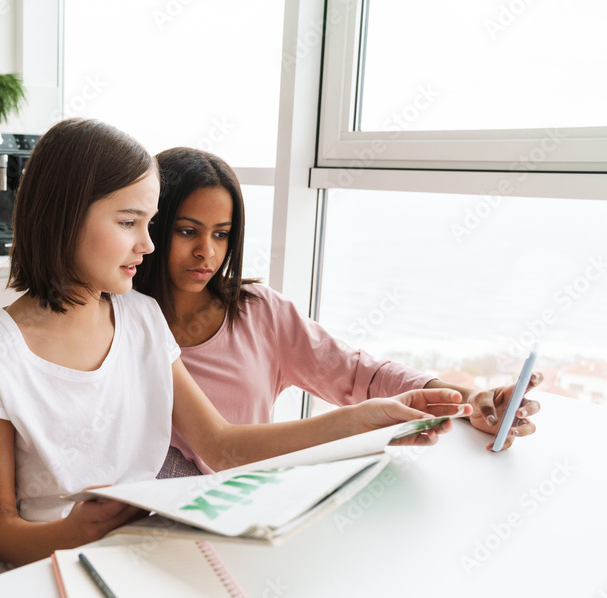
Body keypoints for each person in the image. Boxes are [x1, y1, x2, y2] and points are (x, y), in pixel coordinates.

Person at [0, 119, 467, 571]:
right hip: (53, 568)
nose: (147, 242)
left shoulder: (140, 319)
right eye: (129, 222)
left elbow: (221, 446)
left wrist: (357, 421)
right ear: (64, 215)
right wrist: (73, 533)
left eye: (149, 223)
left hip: (142, 554)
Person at [133, 146, 540, 474]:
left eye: (221, 235)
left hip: (246, 510)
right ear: (152, 226)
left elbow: (359, 373)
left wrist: (469, 401)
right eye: (187, 231)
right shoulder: (121, 322)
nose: (207, 252)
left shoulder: (260, 314)